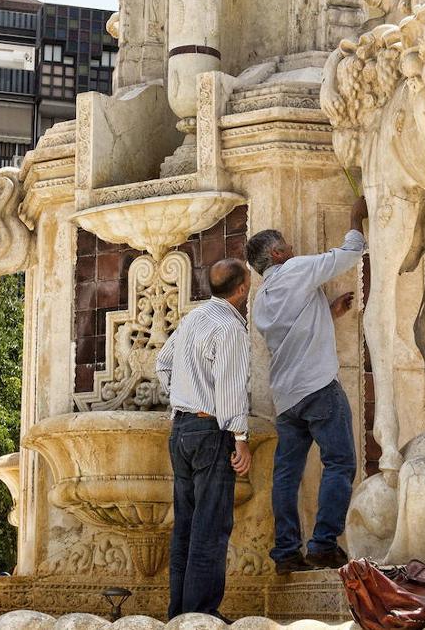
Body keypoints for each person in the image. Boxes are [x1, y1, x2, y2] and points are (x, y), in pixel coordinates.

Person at [246, 197, 367, 573]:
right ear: (279, 252)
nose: (294, 249)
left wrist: (328, 312)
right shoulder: (296, 269)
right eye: (289, 245)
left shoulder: (261, 298)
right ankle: (323, 544)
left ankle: (285, 553)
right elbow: (349, 254)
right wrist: (354, 214)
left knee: (286, 475)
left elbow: (292, 331)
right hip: (318, 387)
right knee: (340, 462)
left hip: (287, 399)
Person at [155, 258, 253, 620]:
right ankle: (201, 614)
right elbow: (230, 389)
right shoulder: (230, 328)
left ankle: (179, 614)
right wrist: (240, 437)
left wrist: (184, 395)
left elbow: (163, 363)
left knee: (186, 526)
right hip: (211, 430)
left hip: (180, 429)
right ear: (241, 290)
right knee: (210, 526)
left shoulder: (193, 318)